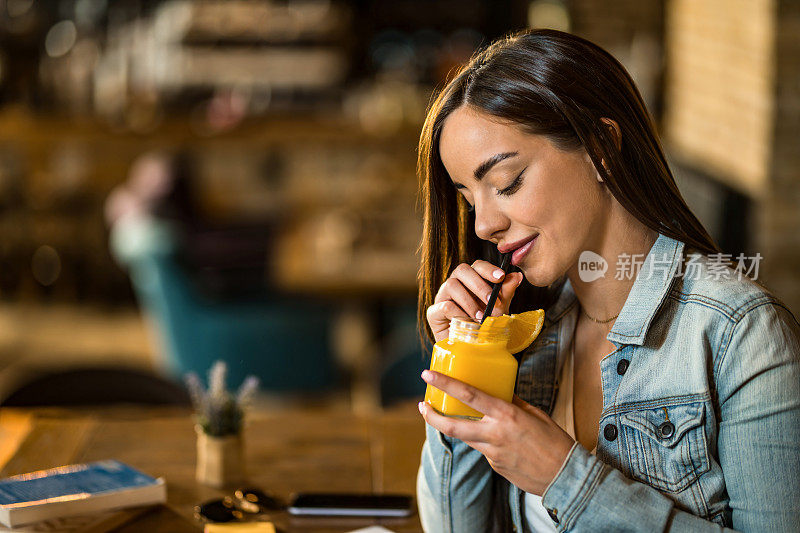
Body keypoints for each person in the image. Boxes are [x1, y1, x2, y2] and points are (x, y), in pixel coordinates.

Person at [415, 29, 800, 532]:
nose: (483, 225)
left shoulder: (741, 335)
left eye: (506, 183)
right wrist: (459, 361)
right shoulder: (526, 333)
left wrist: (564, 476)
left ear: (601, 149)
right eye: (470, 198)